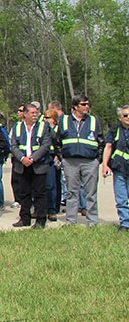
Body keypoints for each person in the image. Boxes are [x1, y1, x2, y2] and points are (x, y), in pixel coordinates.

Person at [57, 94, 104, 226]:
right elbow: (58, 142)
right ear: (75, 106)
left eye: (88, 104)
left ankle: (92, 221)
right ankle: (70, 221)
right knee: (72, 192)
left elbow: (101, 141)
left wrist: (97, 159)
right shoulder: (64, 120)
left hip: (90, 161)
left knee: (91, 193)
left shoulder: (94, 120)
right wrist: (62, 158)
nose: (87, 107)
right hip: (70, 161)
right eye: (83, 104)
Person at [10, 103, 53, 228]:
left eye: (37, 113)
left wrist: (33, 158)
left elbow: (46, 145)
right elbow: (13, 145)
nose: (35, 115)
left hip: (38, 165)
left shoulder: (44, 127)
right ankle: (24, 218)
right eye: (32, 113)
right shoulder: (17, 127)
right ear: (25, 114)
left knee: (40, 194)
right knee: (24, 193)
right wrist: (22, 158)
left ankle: (40, 220)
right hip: (22, 165)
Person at [102, 105, 129, 232]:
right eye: (125, 115)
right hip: (120, 168)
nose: (128, 118)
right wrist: (104, 165)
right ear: (120, 118)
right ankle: (125, 223)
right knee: (121, 197)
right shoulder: (115, 131)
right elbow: (108, 147)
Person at [43, 109, 62, 221]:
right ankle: (41, 209)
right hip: (43, 158)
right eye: (44, 117)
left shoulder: (58, 130)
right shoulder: (42, 129)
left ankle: (52, 210)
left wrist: (58, 156)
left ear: (54, 119)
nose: (45, 119)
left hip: (53, 158)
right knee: (41, 186)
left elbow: (59, 144)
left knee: (52, 185)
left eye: (48, 117)